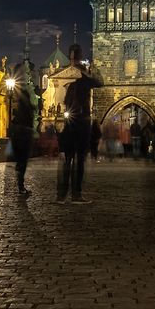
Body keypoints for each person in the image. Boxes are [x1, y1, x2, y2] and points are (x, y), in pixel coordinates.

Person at [56, 44, 103, 203]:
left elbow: (99, 82)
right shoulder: (80, 78)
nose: (73, 61)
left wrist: (86, 70)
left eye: (74, 57)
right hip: (75, 122)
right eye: (72, 58)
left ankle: (70, 194)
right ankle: (69, 194)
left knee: (75, 159)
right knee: (71, 158)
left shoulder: (84, 76)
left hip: (80, 122)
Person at [8, 63, 39, 196]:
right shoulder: (23, 91)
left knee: (22, 160)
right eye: (26, 72)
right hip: (24, 130)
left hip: (22, 130)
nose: (28, 74)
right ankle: (20, 186)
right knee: (22, 160)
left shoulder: (21, 90)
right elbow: (28, 107)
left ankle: (20, 184)